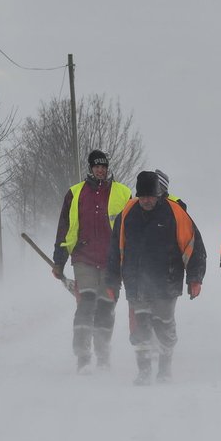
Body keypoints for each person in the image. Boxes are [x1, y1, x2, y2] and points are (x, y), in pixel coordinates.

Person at [106, 170, 207, 385]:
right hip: (136, 281)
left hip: (166, 280)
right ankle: (143, 371)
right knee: (141, 325)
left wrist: (195, 278)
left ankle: (164, 368)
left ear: (159, 194)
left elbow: (194, 246)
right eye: (142, 197)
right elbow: (115, 248)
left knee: (163, 324)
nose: (146, 201)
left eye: (150, 196)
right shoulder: (128, 212)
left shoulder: (175, 212)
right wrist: (112, 280)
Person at [52, 149, 132, 373]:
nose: (100, 170)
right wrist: (59, 260)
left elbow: (133, 229)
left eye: (103, 166)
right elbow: (64, 228)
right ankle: (83, 356)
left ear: (107, 168)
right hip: (84, 258)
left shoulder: (123, 193)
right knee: (86, 303)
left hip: (111, 261)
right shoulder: (75, 194)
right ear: (90, 168)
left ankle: (103, 353)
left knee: (106, 307)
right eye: (96, 166)